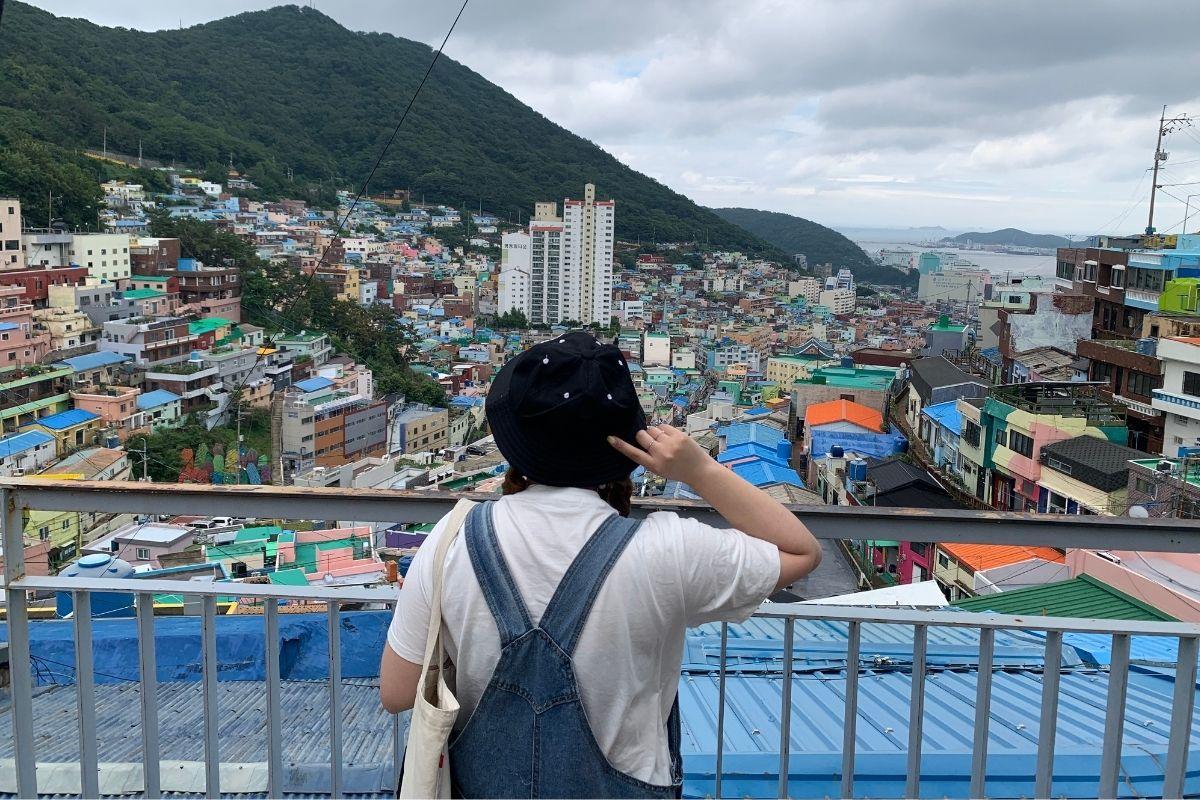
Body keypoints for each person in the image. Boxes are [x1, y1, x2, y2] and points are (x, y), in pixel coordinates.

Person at [381, 331, 821, 798]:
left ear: (515, 439)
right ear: (624, 444)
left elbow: (396, 692)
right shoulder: (667, 548)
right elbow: (803, 552)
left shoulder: (453, 538)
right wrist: (700, 470)